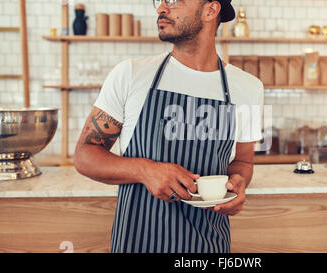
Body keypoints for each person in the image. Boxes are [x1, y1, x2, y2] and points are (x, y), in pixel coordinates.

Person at [74, 0, 264, 253]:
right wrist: (144, 170)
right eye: (161, 0)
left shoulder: (249, 88)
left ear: (210, 10)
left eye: (174, 0)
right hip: (136, 243)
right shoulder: (130, 74)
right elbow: (85, 155)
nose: (161, 8)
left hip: (208, 245)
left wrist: (239, 183)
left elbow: (243, 162)